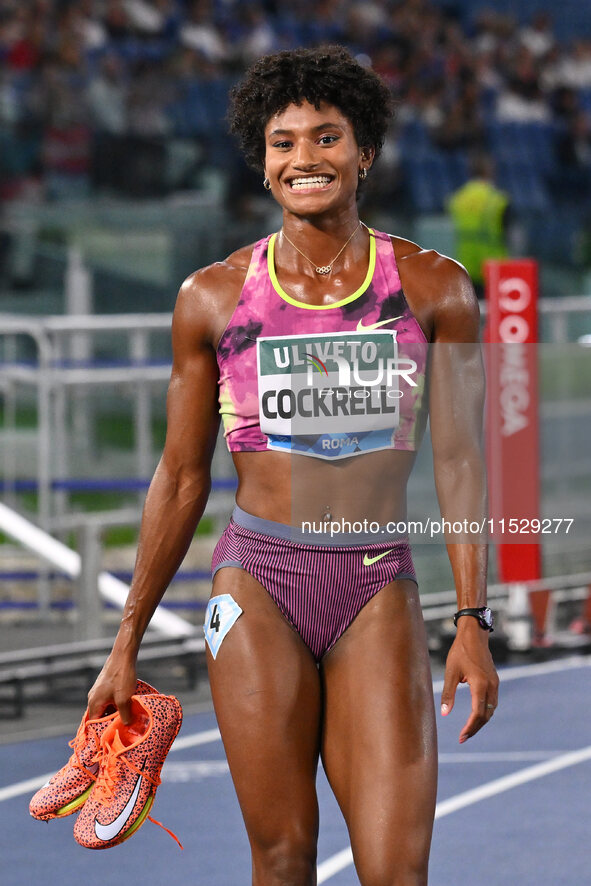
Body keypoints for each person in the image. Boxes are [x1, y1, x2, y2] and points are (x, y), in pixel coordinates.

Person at [88, 46, 499, 885]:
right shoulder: (211, 296)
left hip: (375, 581)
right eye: (283, 142)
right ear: (261, 159)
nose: (304, 158)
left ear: (365, 152)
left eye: (326, 137)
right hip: (257, 582)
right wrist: (124, 642)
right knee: (280, 862)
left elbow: (458, 457)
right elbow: (180, 478)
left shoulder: (434, 290)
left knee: (395, 870)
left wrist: (471, 618)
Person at [447, 152, 510, 298]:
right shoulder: (497, 199)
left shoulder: (458, 198)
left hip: (464, 266)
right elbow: (507, 232)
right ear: (489, 171)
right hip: (492, 268)